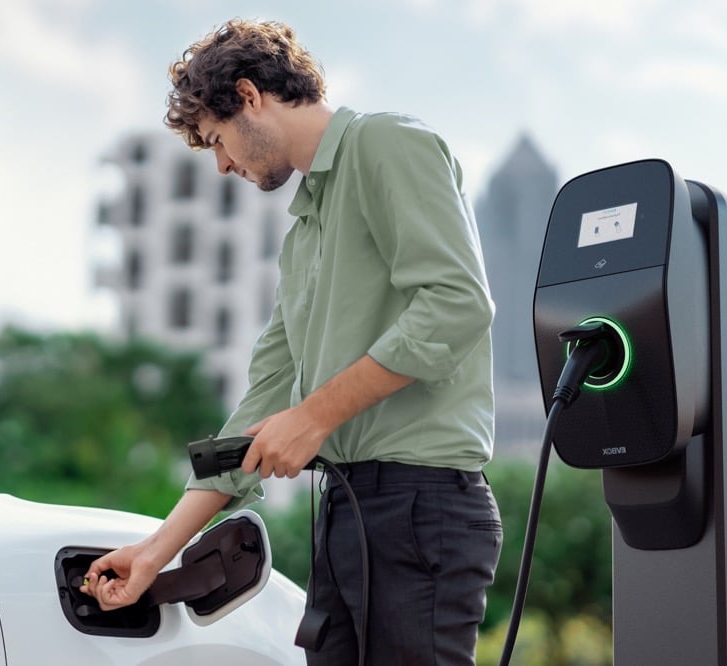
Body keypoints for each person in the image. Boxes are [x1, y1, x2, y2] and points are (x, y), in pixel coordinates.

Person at [82, 18, 500, 665]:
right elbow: (262, 405)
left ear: (250, 96)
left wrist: (316, 415)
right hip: (347, 513)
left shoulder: (385, 144)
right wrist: (155, 550)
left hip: (423, 510)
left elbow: (457, 304)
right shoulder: (303, 234)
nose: (222, 165)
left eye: (217, 141)